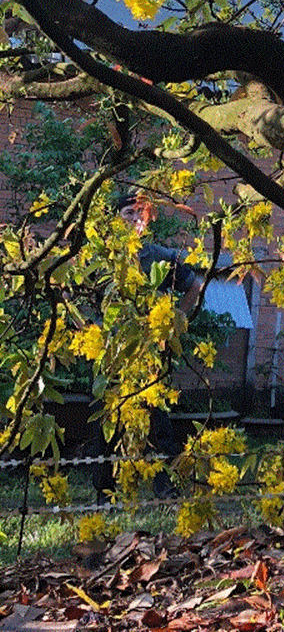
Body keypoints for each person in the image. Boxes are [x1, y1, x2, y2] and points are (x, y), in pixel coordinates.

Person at [88, 193, 204, 503]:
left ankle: (164, 490)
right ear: (115, 220)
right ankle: (104, 493)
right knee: (106, 420)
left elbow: (195, 286)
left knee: (157, 421)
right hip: (110, 352)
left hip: (149, 352)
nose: (136, 219)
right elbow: (76, 293)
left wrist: (176, 319)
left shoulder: (159, 256)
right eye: (129, 213)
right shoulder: (103, 258)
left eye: (141, 213)